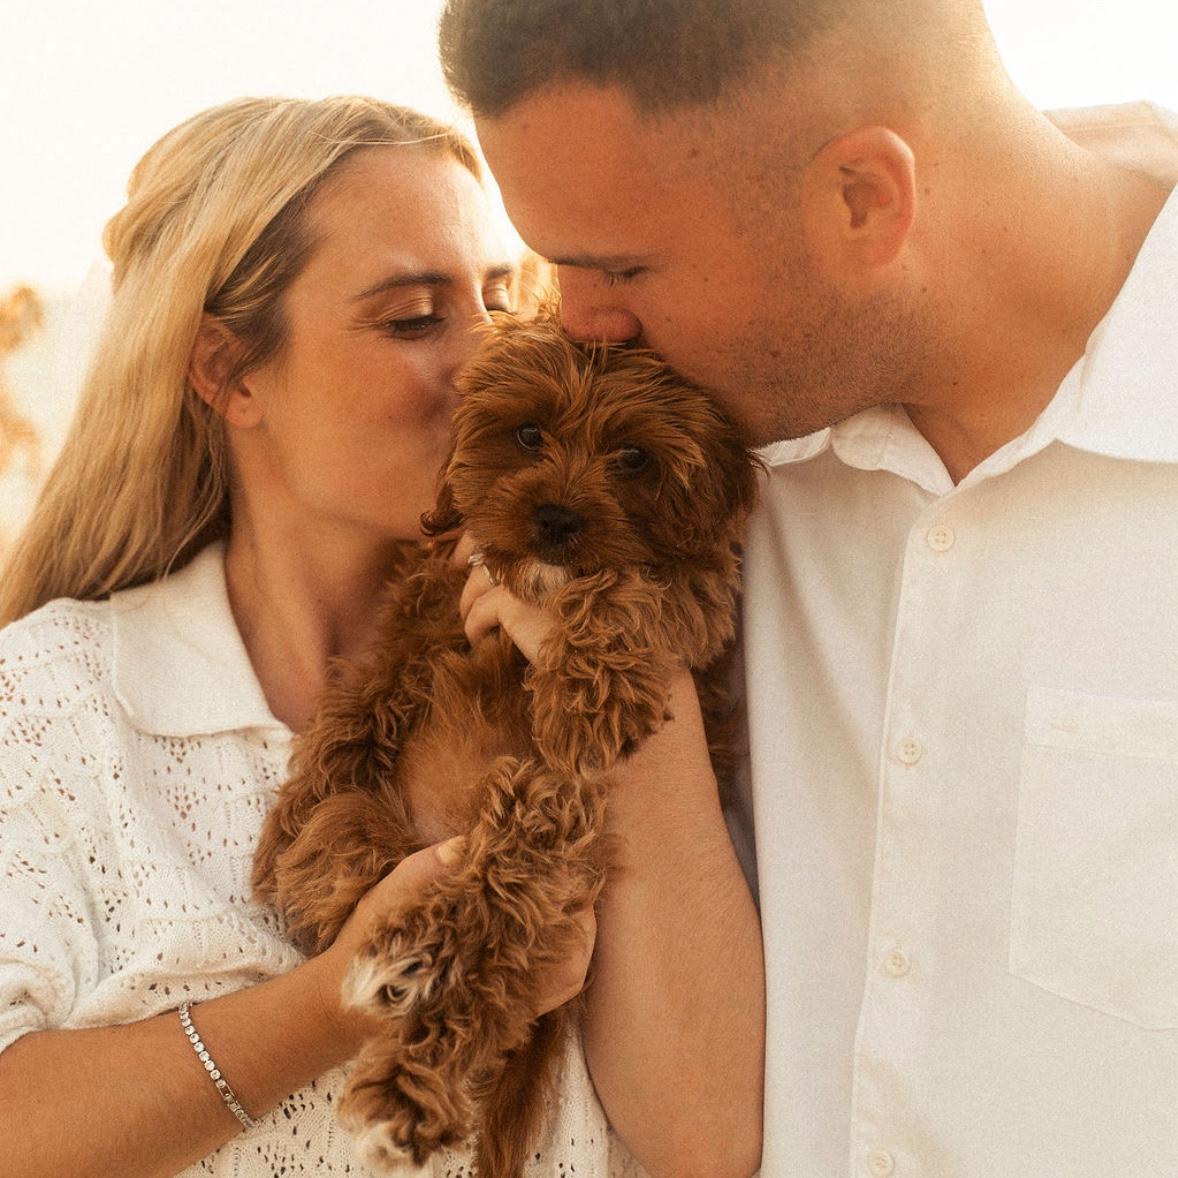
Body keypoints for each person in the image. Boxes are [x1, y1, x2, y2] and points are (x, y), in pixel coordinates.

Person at [435, 1, 1178, 1176]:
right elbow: (693, 1130)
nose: (579, 321)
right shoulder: (683, 466)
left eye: (621, 265)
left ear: (862, 199)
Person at [0, 95, 764, 1178]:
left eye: (500, 299)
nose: (487, 357)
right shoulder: (47, 699)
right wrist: (337, 1000)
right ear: (228, 372)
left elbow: (707, 1138)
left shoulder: (619, 646)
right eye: (413, 318)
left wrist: (634, 679)